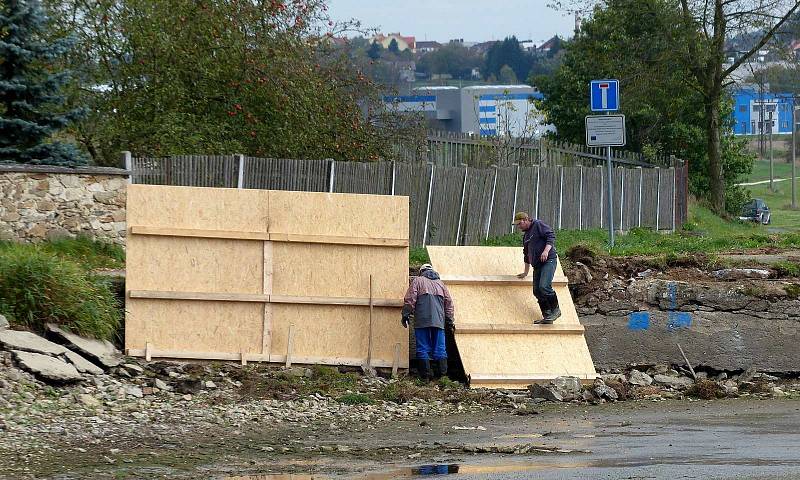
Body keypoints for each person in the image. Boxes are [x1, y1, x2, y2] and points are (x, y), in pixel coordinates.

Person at [401, 263, 455, 380]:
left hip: (422, 320)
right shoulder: (441, 284)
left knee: (423, 347)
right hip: (439, 322)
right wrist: (449, 320)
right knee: (440, 348)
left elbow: (410, 300)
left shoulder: (418, 281)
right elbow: (449, 304)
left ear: (421, 271)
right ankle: (443, 377)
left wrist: (405, 314)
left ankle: (425, 376)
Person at [512, 212, 560, 324]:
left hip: (548, 261)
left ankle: (556, 310)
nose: (519, 227)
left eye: (519, 224)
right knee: (537, 291)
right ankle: (547, 315)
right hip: (537, 265)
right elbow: (526, 255)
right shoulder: (526, 236)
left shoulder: (538, 224)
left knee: (544, 286)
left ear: (525, 220)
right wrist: (525, 272)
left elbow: (550, 236)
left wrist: (546, 251)